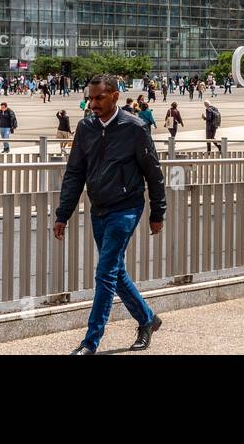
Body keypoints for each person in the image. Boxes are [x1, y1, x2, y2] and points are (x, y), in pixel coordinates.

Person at [53, 74, 166, 354]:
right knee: (114, 273)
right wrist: (62, 214)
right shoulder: (86, 128)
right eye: (89, 98)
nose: (93, 103)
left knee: (104, 273)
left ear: (115, 96)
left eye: (99, 97)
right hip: (99, 208)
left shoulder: (135, 128)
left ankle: (90, 343)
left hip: (126, 208)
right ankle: (148, 319)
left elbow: (154, 173)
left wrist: (157, 212)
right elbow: (74, 173)